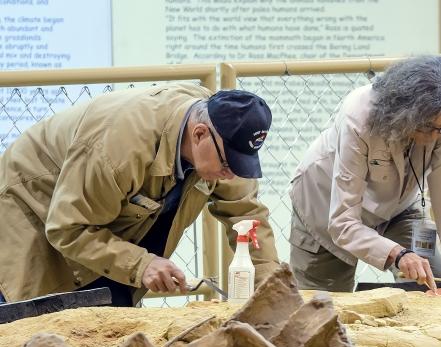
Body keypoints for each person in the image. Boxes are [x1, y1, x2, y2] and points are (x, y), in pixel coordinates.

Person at [0, 84, 280, 305]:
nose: (231, 174)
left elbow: (247, 212)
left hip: (101, 208)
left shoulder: (221, 135)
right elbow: (68, 228)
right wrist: (140, 263)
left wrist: (269, 287)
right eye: (228, 163)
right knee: (40, 326)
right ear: (199, 135)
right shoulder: (118, 149)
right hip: (32, 203)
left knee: (112, 312)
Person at [289, 54, 441, 293]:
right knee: (325, 306)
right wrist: (399, 254)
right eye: (426, 127)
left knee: (435, 284)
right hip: (326, 207)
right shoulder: (359, 116)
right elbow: (343, 223)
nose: (433, 137)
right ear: (403, 114)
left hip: (397, 208)